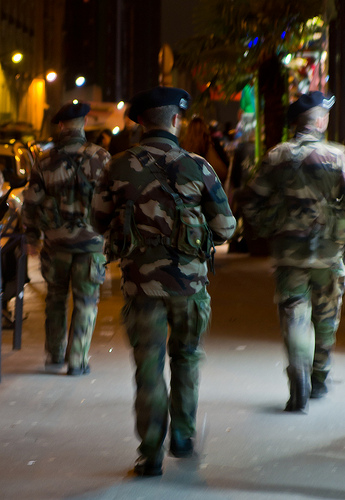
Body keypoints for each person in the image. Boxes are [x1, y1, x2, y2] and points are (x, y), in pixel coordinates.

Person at [91, 86, 236, 476]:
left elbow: (97, 220)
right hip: (189, 288)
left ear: (140, 122)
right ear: (176, 119)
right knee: (187, 358)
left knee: (148, 368)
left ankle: (150, 454)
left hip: (141, 288)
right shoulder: (199, 165)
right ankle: (183, 436)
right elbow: (224, 228)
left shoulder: (117, 166)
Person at [240, 91, 345, 412]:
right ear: (320, 120)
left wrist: (269, 230)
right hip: (329, 252)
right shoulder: (339, 157)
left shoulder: (276, 157)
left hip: (289, 252)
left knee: (294, 310)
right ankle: (319, 376)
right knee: (327, 315)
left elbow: (251, 200)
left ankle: (298, 369)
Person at [22, 101, 111, 376]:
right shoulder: (102, 158)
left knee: (55, 299)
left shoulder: (45, 161)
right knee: (86, 301)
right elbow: (114, 201)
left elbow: (31, 203)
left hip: (56, 243)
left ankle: (54, 354)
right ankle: (77, 361)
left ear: (61, 126)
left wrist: (32, 237)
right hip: (91, 245)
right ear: (84, 124)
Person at [181, 115, 228, 184]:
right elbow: (224, 169)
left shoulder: (183, 147)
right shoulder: (212, 144)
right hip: (212, 187)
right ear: (205, 129)